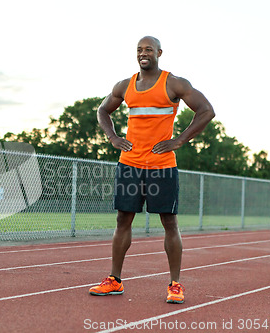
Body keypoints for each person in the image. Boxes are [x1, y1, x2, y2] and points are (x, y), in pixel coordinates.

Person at [89, 36, 215, 303]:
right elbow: (103, 110)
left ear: (159, 52)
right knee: (123, 220)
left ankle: (175, 284)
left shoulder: (174, 83)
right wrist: (112, 137)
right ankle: (114, 280)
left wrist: (179, 139)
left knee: (169, 223)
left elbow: (206, 110)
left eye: (148, 49)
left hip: (161, 165)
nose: (143, 53)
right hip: (130, 164)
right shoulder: (125, 86)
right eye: (139, 50)